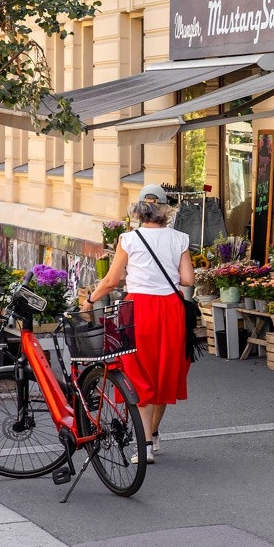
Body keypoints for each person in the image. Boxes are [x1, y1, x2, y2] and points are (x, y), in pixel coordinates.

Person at [84, 197, 197, 464]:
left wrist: (90, 300)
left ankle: (145, 445)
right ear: (166, 214)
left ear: (139, 215)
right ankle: (153, 433)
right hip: (171, 310)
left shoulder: (128, 239)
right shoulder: (180, 238)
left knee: (138, 371)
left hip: (139, 309)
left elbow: (111, 280)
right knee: (163, 372)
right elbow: (188, 279)